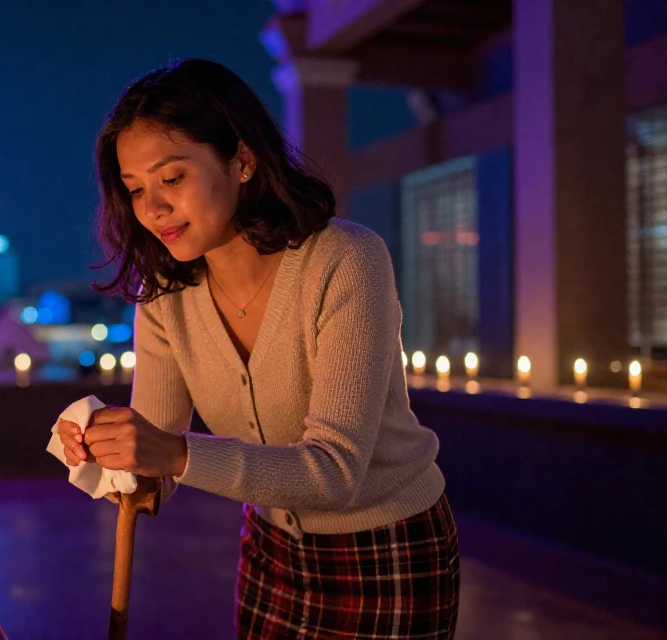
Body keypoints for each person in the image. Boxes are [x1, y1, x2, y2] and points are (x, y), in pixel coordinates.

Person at [55, 58, 459, 638]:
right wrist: (109, 450)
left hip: (387, 549)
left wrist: (168, 452)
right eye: (136, 189)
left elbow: (336, 472)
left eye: (172, 178)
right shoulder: (165, 296)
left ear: (242, 160)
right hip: (271, 548)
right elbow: (157, 465)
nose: (153, 209)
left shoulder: (345, 261)